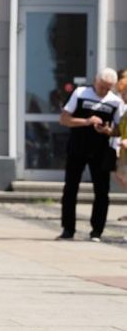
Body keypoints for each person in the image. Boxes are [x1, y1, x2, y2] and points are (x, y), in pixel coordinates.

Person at [57, 68, 123, 242]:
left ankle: (97, 231)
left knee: (102, 191)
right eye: (102, 87)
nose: (104, 91)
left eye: (108, 88)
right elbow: (64, 119)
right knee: (70, 188)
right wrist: (86, 121)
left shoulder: (115, 102)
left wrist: (108, 130)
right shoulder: (80, 93)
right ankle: (68, 229)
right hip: (77, 148)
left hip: (100, 151)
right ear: (96, 81)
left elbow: (118, 130)